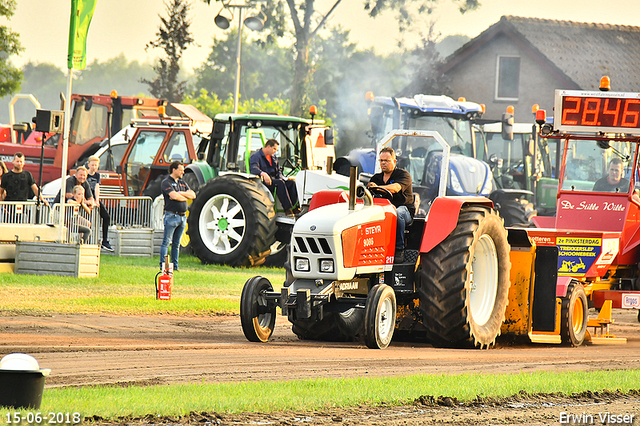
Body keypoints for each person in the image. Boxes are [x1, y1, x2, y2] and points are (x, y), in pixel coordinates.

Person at [367, 147, 414, 263]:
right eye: (381, 160)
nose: (383, 163)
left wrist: (377, 188)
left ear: (394, 161)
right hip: (382, 209)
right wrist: (369, 187)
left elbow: (395, 188)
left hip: (404, 210)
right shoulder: (376, 178)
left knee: (397, 213)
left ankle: (399, 249)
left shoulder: (403, 175)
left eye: (386, 160)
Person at [249, 138, 300, 216]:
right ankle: (287, 209)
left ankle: (295, 208)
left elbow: (278, 171)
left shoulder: (273, 157)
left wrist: (281, 177)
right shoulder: (256, 156)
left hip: (274, 180)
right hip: (263, 182)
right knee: (280, 183)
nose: (275, 151)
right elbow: (253, 168)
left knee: (291, 183)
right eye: (274, 149)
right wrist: (263, 174)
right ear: (268, 146)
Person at [160, 161, 196, 271]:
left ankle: (175, 266)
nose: (183, 172)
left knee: (176, 244)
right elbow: (173, 195)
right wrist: (183, 196)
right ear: (174, 170)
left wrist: (180, 194)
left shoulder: (182, 183)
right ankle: (164, 266)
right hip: (172, 216)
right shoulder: (166, 182)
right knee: (166, 242)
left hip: (182, 217)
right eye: (181, 170)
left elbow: (193, 195)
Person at [86, 156, 114, 252]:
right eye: (92, 165)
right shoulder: (85, 174)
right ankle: (86, 240)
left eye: (96, 165)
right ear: (88, 165)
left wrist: (97, 200)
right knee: (87, 220)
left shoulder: (97, 175)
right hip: (86, 198)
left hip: (94, 198)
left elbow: (97, 187)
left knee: (106, 216)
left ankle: (105, 240)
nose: (94, 167)